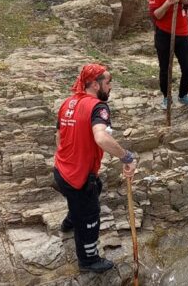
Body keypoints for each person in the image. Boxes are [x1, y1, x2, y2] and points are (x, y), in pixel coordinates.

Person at [54, 63, 137, 273]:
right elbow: (101, 137)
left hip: (61, 171)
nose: (110, 87)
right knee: (90, 216)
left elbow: (58, 137)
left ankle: (71, 220)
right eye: (107, 82)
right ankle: (89, 260)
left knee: (94, 187)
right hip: (78, 178)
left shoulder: (67, 103)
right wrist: (126, 157)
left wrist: (69, 159)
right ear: (94, 84)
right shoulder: (98, 107)